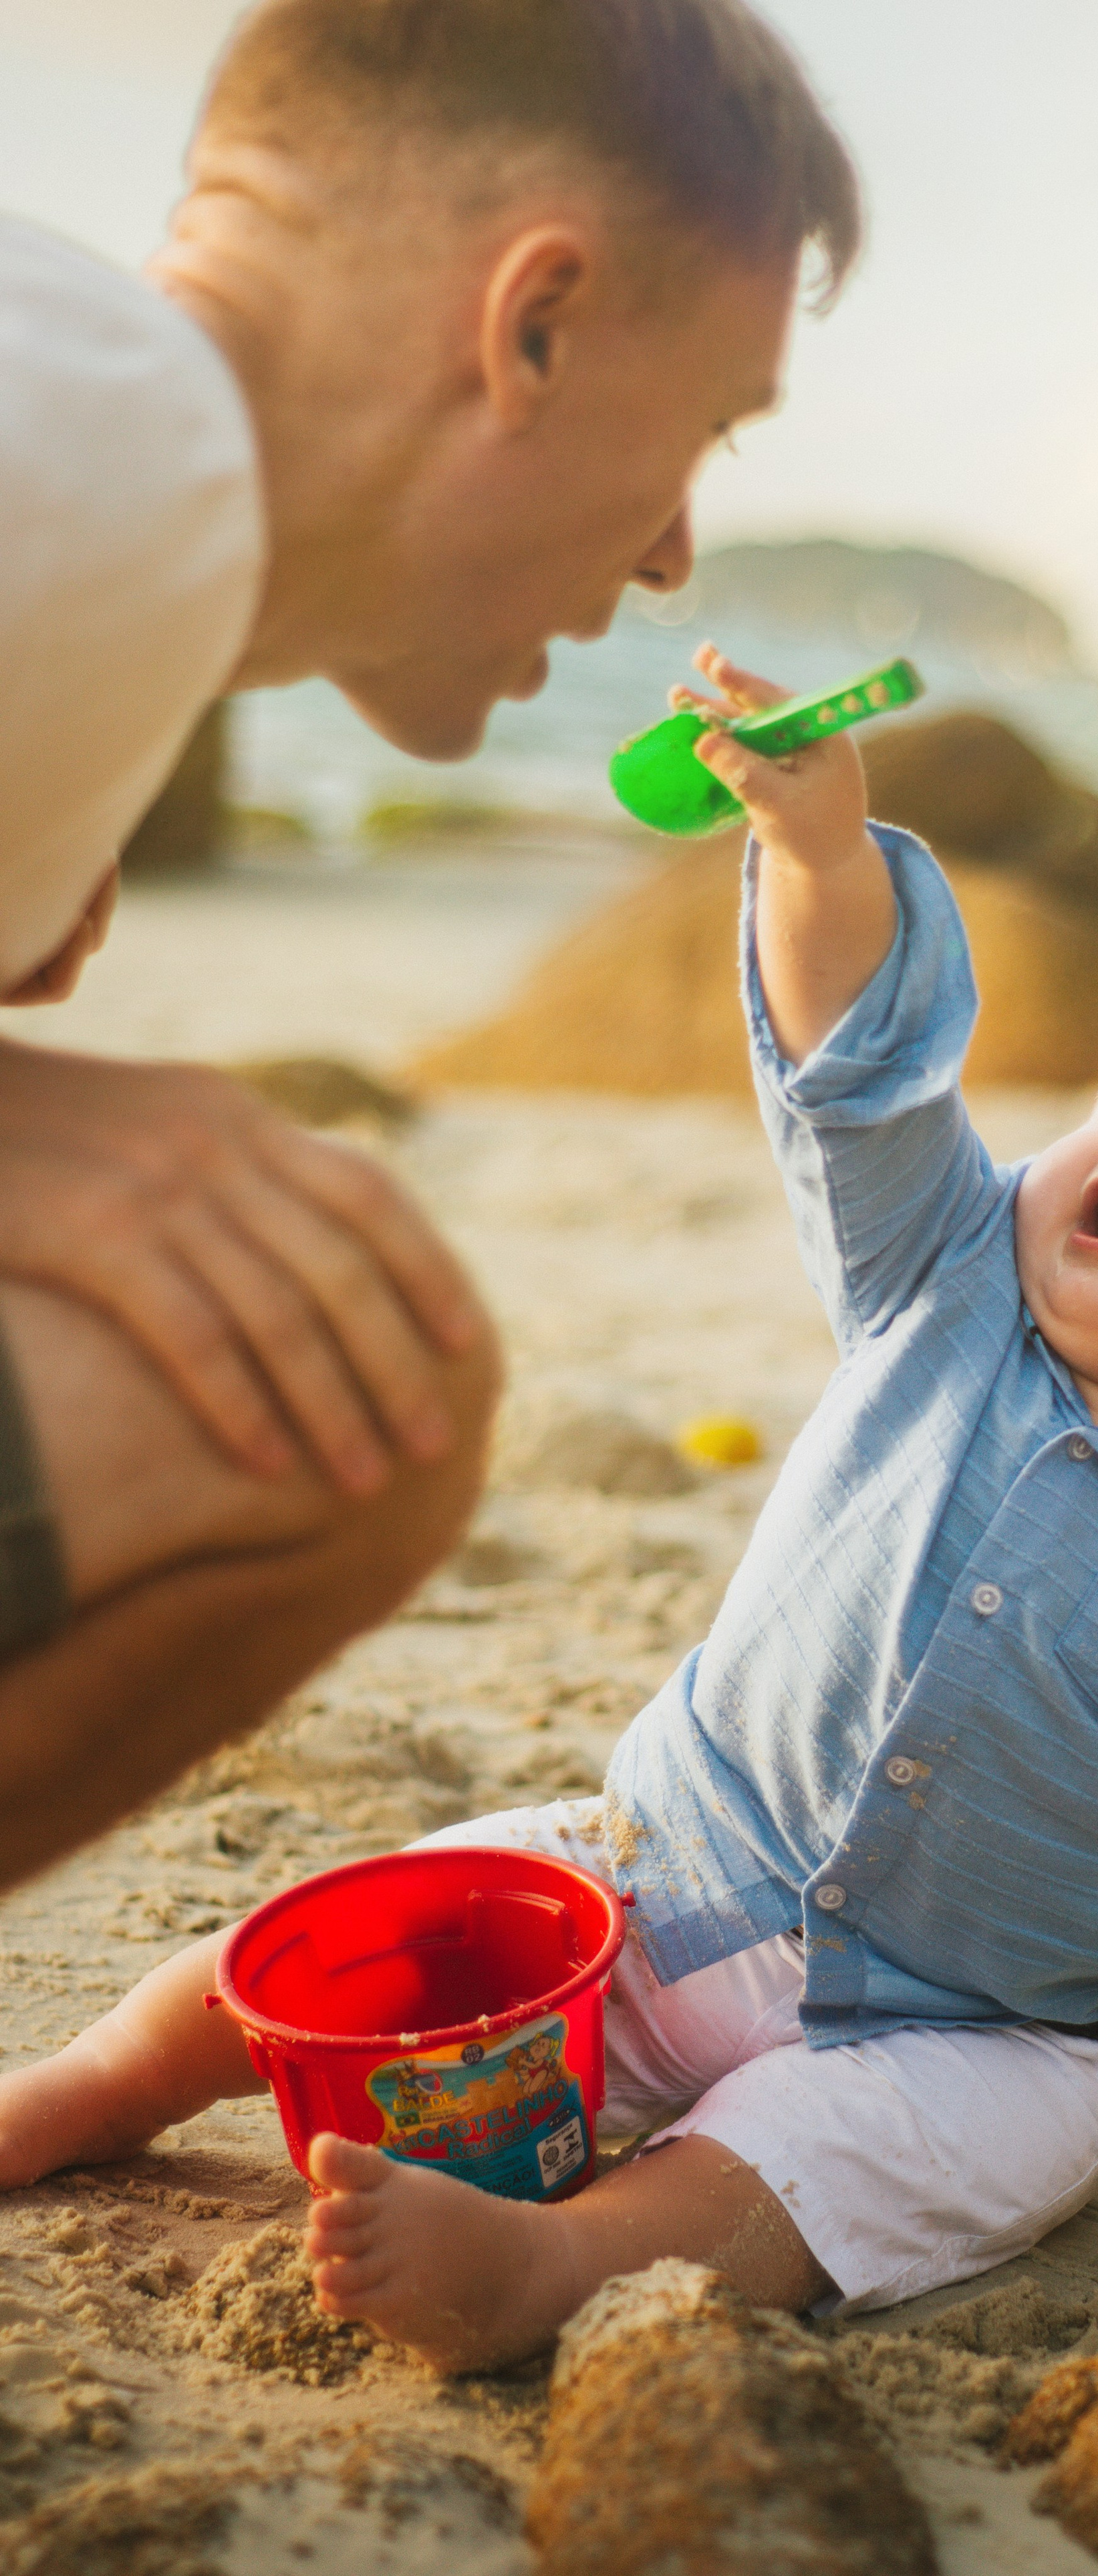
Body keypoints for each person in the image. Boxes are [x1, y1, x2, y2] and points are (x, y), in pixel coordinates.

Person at [0, 647, 1098, 2363]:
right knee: (393, 1910)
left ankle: (557, 2266)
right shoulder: (941, 1271)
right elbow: (861, 1075)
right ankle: (107, 2075)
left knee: (854, 2157)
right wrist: (821, 860)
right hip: (669, 1879)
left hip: (984, 2024)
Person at [0, 0, 861, 1888]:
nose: (668, 559)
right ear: (531, 324)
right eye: (705, 422)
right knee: (344, 1384)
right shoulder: (83, 460)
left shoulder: (107, 500)